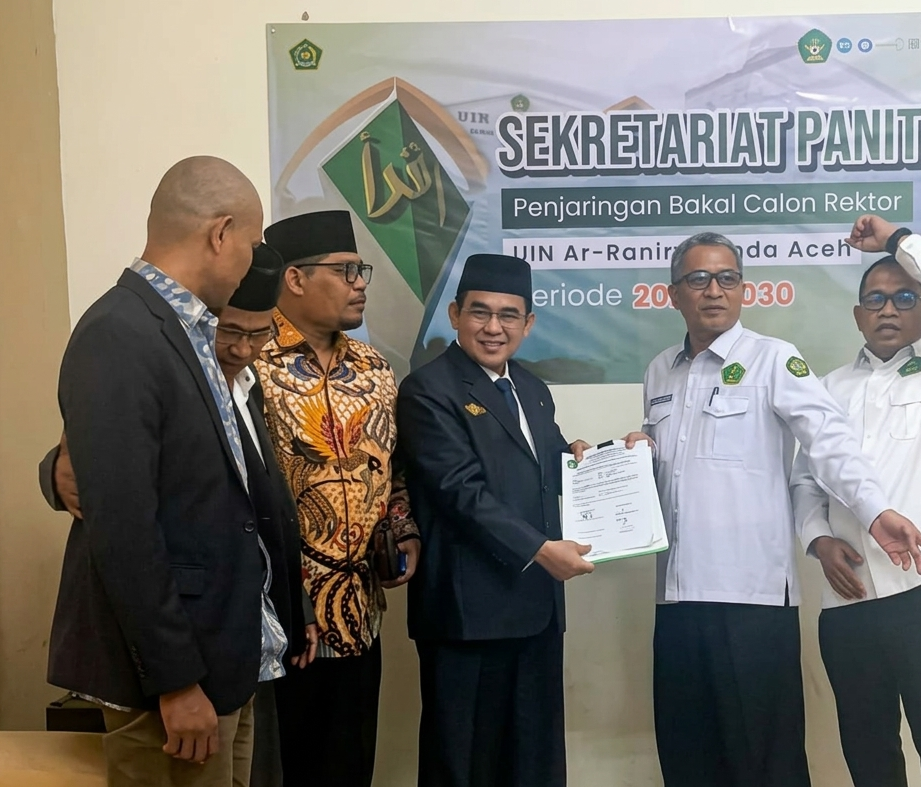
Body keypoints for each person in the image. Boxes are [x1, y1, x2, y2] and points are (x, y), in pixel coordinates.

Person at [624, 231, 921, 787]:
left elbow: (829, 443)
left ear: (743, 290)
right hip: (675, 597)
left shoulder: (774, 360)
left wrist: (874, 511)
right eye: (698, 279)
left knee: (765, 763)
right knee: (687, 756)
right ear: (674, 294)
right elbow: (672, 472)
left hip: (751, 599)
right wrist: (634, 457)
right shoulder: (659, 371)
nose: (714, 291)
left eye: (727, 278)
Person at [40, 244, 320, 787]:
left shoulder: (247, 387)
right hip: (176, 658)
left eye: (258, 334)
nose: (242, 349)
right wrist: (53, 470)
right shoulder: (137, 348)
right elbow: (120, 503)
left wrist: (293, 599)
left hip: (239, 641)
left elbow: (257, 505)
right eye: (229, 331)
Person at [48, 155, 268, 786]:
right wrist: (175, 681)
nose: (252, 262)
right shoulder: (120, 333)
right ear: (221, 234)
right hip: (172, 686)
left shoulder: (184, 329)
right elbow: (124, 529)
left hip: (221, 660)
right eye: (252, 245)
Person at [790, 215, 921, 787]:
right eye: (875, 299)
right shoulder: (828, 389)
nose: (889, 309)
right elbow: (804, 480)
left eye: (905, 297)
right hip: (848, 595)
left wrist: (898, 240)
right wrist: (818, 541)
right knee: (867, 747)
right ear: (858, 315)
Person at [395, 253, 593, 787]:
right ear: (455, 314)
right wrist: (540, 550)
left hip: (536, 609)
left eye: (509, 315)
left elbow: (547, 466)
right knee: (465, 761)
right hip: (467, 613)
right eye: (479, 312)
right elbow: (461, 492)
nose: (493, 327)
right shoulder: (427, 390)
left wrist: (595, 458)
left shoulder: (532, 389)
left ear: (528, 324)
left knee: (533, 759)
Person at [258, 210, 420, 787]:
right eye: (345, 271)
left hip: (359, 614)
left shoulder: (374, 369)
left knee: (350, 764)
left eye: (361, 271)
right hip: (283, 619)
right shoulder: (250, 362)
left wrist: (403, 529)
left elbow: (396, 469)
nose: (360, 284)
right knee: (283, 768)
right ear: (295, 278)